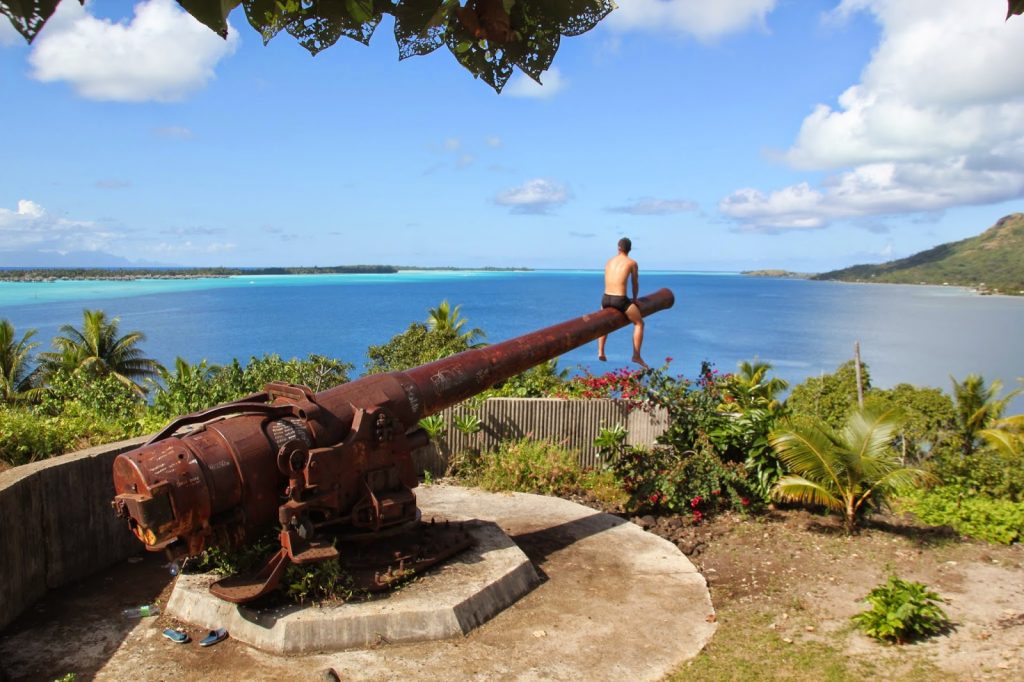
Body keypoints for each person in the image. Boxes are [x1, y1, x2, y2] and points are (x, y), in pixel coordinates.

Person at [597, 237, 647, 367]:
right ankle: (636, 355)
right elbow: (634, 283)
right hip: (620, 300)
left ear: (618, 248)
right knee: (639, 323)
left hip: (605, 298)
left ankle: (601, 351)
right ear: (629, 249)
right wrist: (635, 299)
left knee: (603, 324)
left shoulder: (609, 261)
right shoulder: (632, 263)